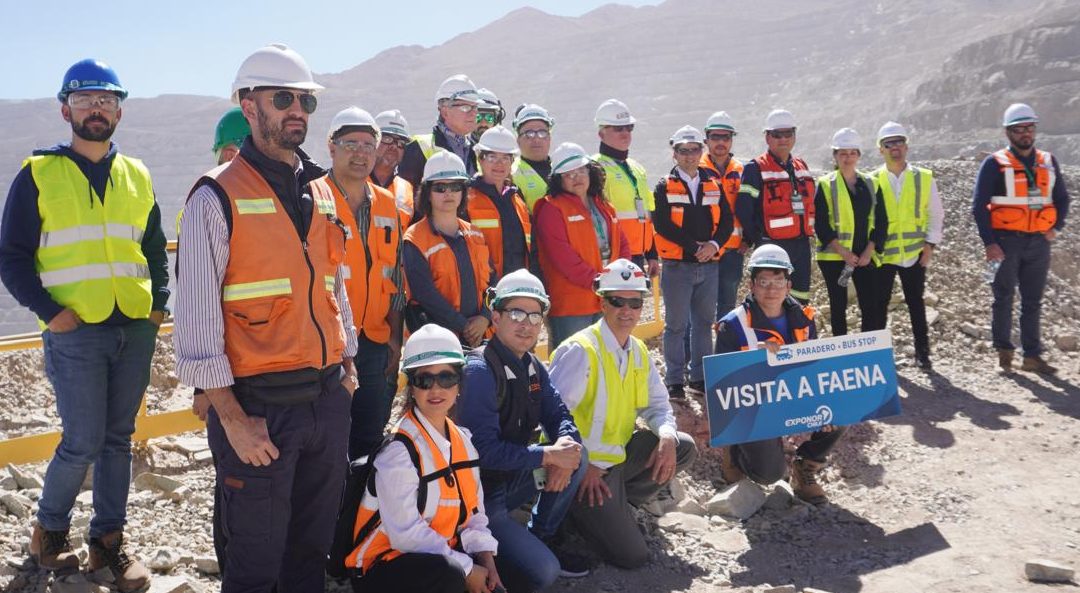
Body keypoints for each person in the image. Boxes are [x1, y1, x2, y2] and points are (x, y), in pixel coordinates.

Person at [174, 44, 359, 593]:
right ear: (249, 107)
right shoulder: (215, 196)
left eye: (305, 99)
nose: (297, 108)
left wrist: (347, 367)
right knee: (254, 562)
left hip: (325, 405)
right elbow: (196, 325)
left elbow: (334, 287)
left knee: (309, 553)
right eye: (284, 98)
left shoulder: (323, 192)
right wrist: (233, 419)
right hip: (259, 412)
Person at [0, 58, 166, 590]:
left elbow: (153, 249)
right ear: (65, 108)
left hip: (134, 328)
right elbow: (12, 256)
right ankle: (48, 532)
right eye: (87, 99)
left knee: (118, 439)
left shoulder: (136, 174)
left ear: (119, 110)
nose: (98, 109)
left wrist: (157, 304)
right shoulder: (39, 174)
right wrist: (52, 313)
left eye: (107, 100)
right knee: (82, 439)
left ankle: (107, 546)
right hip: (77, 330)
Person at [548, 259, 697, 569]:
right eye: (617, 300)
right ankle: (575, 512)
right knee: (633, 558)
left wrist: (667, 434)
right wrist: (582, 466)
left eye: (634, 302)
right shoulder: (581, 350)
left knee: (681, 447)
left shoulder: (637, 350)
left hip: (613, 463)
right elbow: (551, 419)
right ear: (603, 303)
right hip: (577, 470)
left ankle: (612, 507)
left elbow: (657, 405)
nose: (626, 310)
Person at [457, 270, 590, 590]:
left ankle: (540, 537)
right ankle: (477, 552)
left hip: (512, 480)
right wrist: (547, 456)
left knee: (577, 455)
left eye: (534, 315)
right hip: (480, 502)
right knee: (543, 574)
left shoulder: (532, 366)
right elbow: (484, 453)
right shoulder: (479, 371)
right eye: (516, 312)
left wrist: (563, 451)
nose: (526, 323)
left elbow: (560, 417)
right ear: (496, 316)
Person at [346, 324, 502, 593]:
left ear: (459, 383)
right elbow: (405, 535)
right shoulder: (399, 451)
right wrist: (467, 568)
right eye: (424, 380)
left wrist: (487, 563)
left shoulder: (463, 441)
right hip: (386, 567)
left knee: (506, 574)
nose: (436, 389)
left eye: (446, 378)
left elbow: (475, 515)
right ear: (412, 387)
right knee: (450, 575)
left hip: (438, 558)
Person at [714, 245, 839, 505]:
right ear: (751, 285)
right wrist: (754, 363)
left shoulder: (804, 318)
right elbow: (721, 390)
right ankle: (735, 452)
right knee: (769, 474)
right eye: (764, 282)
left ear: (788, 284)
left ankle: (806, 467)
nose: (771, 289)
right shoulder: (732, 326)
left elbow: (813, 369)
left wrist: (822, 406)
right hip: (755, 408)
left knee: (848, 402)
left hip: (792, 396)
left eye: (778, 281)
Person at [323, 107, 406, 461]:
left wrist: (396, 338)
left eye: (368, 145)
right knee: (329, 443)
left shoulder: (388, 202)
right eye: (350, 143)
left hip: (375, 341)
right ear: (331, 148)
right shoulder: (314, 197)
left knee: (369, 442)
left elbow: (397, 276)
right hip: (329, 344)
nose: (360, 153)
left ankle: (363, 515)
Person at [974, 103, 1070, 374]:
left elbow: (1062, 198)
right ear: (1008, 133)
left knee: (1033, 300)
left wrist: (1057, 227)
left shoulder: (1048, 161)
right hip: (1005, 242)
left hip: (1039, 242)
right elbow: (979, 206)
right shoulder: (994, 164)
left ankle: (1032, 356)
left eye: (1030, 127)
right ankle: (1004, 354)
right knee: (1003, 296)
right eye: (1019, 129)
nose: (1026, 133)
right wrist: (990, 244)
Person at [653, 126, 733, 399]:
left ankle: (699, 377)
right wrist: (693, 247)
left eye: (694, 150)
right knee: (675, 325)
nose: (689, 156)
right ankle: (675, 380)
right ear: (674, 153)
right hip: (678, 266)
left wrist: (712, 246)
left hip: (709, 265)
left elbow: (726, 222)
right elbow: (662, 223)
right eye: (682, 151)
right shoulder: (664, 185)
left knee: (703, 322)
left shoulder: (714, 184)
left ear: (702, 151)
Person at [534, 142, 630, 348]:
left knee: (604, 358)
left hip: (606, 295)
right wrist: (597, 282)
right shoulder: (551, 209)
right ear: (559, 179)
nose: (576, 177)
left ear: (590, 171)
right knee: (572, 362)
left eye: (580, 170)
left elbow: (621, 243)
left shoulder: (604, 206)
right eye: (569, 174)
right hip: (573, 304)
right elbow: (562, 256)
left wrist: (619, 279)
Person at [872, 121, 943, 370]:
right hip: (885, 256)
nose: (895, 148)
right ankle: (879, 358)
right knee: (879, 306)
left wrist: (930, 244)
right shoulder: (873, 180)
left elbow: (935, 213)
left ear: (907, 146)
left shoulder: (923, 178)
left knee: (916, 303)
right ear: (881, 149)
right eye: (888, 144)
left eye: (899, 142)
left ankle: (923, 354)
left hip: (914, 253)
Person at [403, 151, 493, 347]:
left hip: (481, 335)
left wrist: (485, 318)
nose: (448, 193)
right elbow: (424, 294)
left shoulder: (475, 234)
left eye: (455, 186)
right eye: (440, 188)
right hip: (437, 340)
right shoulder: (414, 238)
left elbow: (492, 283)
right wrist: (464, 326)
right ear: (427, 192)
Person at [734, 109, 817, 304]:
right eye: (777, 134)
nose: (783, 139)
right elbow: (744, 209)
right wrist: (760, 239)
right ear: (767, 137)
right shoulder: (755, 168)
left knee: (799, 299)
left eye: (788, 133)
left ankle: (797, 334)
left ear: (794, 136)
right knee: (772, 300)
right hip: (772, 245)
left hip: (801, 245)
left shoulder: (801, 166)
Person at [814, 128, 887, 336]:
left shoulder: (872, 184)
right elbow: (821, 224)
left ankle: (867, 351)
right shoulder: (826, 184)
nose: (848, 158)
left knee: (870, 305)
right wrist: (843, 252)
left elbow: (881, 220)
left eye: (852, 153)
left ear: (859, 155)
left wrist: (868, 252)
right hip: (835, 259)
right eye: (843, 153)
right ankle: (842, 354)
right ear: (835, 156)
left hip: (864, 257)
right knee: (838, 306)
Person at [593, 99, 658, 277]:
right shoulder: (594, 168)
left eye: (629, 128)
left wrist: (652, 255)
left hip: (638, 254)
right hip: (613, 255)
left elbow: (647, 213)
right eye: (618, 128)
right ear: (601, 133)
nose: (625, 133)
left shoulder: (637, 168)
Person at [467, 125, 532, 279]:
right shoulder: (467, 199)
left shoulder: (517, 200)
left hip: (519, 286)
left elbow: (530, 250)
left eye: (505, 158)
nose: (499, 164)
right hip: (484, 288)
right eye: (492, 157)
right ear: (480, 160)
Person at [699, 111, 746, 320]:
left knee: (727, 308)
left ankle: (723, 349)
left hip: (733, 251)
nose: (720, 142)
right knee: (700, 309)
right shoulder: (696, 169)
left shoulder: (741, 170)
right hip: (704, 250)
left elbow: (749, 209)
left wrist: (749, 239)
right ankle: (697, 352)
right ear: (706, 139)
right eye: (715, 137)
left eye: (725, 137)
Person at [399, 74, 481, 187]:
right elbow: (407, 196)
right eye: (466, 107)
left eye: (475, 107)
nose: (474, 113)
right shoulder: (419, 147)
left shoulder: (476, 151)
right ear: (445, 112)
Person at [370, 109, 416, 226]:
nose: (394, 147)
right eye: (387, 138)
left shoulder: (407, 189)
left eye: (401, 142)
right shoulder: (354, 180)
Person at [511, 104, 554, 211]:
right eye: (529, 133)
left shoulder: (562, 170)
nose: (536, 139)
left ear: (549, 138)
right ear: (518, 139)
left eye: (542, 133)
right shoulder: (511, 174)